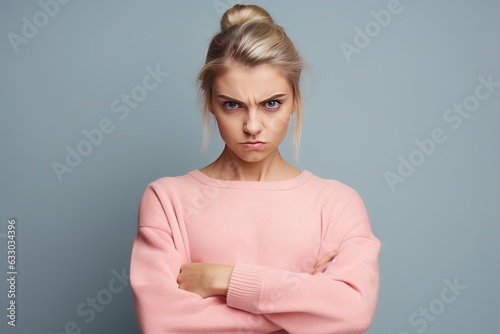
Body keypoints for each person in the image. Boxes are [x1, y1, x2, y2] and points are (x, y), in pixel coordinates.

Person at [130, 4, 381, 333]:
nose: (252, 126)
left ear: (295, 100)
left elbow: (351, 312)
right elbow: (162, 320)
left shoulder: (336, 204)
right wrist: (304, 304)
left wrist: (227, 279)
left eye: (271, 103)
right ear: (210, 102)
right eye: (232, 104)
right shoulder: (167, 200)